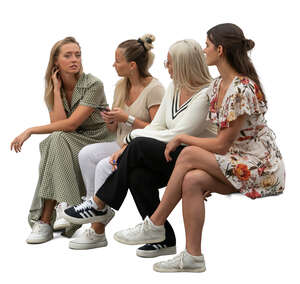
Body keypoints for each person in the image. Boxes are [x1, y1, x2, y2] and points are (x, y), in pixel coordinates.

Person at [102, 23, 286, 273]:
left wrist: (181, 140)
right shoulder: (217, 85)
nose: (203, 49)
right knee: (192, 180)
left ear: (220, 50)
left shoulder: (241, 87)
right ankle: (192, 257)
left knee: (187, 153)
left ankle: (155, 223)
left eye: (207, 44)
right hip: (234, 161)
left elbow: (222, 143)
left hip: (260, 168)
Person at [63, 39, 217, 256]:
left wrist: (130, 140)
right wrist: (126, 139)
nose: (166, 66)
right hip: (171, 156)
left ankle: (98, 204)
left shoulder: (206, 93)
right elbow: (158, 126)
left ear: (183, 65)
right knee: (137, 175)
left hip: (194, 159)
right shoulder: (174, 87)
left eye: (170, 63)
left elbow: (177, 135)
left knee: (139, 145)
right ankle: (164, 239)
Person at [10, 36, 115, 243]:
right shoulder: (51, 90)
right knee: (54, 141)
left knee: (53, 141)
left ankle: (46, 219)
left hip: (97, 139)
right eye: (68, 55)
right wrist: (56, 91)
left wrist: (30, 130)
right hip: (70, 140)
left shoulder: (93, 84)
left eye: (78, 54)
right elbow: (59, 124)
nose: (74, 59)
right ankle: (61, 210)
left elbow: (70, 125)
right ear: (56, 62)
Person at [68, 34, 164, 249]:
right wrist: (111, 121)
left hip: (141, 147)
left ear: (132, 65)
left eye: (117, 60)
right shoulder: (121, 86)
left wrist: (127, 118)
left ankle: (97, 228)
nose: (113, 64)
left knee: (104, 165)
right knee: (86, 154)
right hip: (121, 142)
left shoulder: (155, 89)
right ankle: (92, 206)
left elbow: (159, 131)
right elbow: (115, 129)